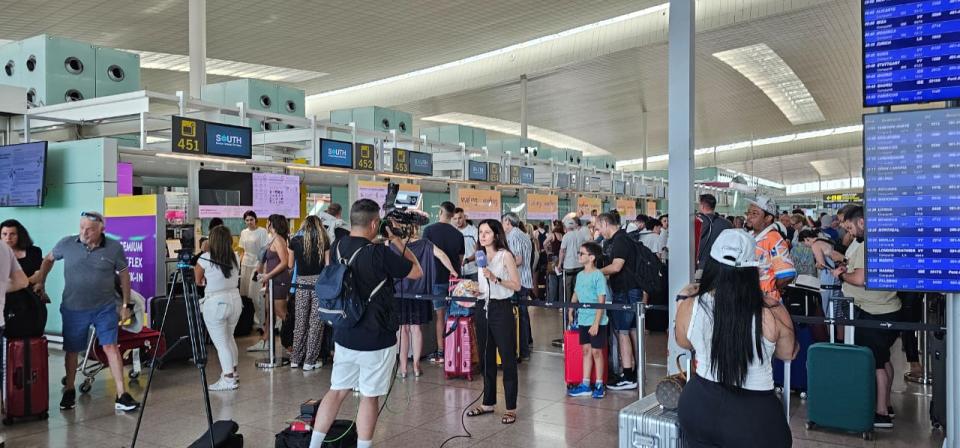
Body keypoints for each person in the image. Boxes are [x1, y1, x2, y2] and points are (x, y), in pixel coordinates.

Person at [308, 199, 422, 448]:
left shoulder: (338, 245)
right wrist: (395, 240)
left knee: (336, 391)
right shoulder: (379, 253)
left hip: (344, 332)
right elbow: (416, 271)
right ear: (374, 223)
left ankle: (314, 445)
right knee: (369, 397)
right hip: (376, 338)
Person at [675, 229, 796, 448]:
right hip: (754, 418)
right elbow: (788, 352)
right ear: (752, 269)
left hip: (699, 405)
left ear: (712, 264)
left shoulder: (691, 304)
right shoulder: (771, 310)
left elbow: (683, 342)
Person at [35, 211, 140, 412]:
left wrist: (126, 305)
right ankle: (69, 389)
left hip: (105, 307)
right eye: (81, 227)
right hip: (74, 308)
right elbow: (48, 260)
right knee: (73, 349)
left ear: (102, 230)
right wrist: (41, 281)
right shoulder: (66, 244)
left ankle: (121, 394)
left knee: (111, 346)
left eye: (89, 229)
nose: (84, 232)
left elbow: (124, 275)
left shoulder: (114, 248)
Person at [833, 205, 900, 428]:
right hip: (888, 306)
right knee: (883, 358)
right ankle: (887, 404)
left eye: (851, 227)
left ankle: (880, 412)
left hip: (873, 310)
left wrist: (843, 274)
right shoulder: (883, 240)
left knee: (875, 363)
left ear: (862, 222)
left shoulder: (866, 246)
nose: (850, 232)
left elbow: (860, 279)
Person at [465, 219, 522, 425]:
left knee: (507, 358)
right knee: (486, 357)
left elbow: (516, 285)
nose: (482, 235)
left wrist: (496, 278)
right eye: (480, 232)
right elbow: (484, 286)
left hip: (501, 309)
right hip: (482, 307)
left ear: (496, 235)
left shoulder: (505, 256)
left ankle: (511, 407)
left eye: (487, 232)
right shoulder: (480, 257)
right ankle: (488, 403)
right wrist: (474, 290)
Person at [392, 216, 458, 377]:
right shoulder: (425, 244)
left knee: (402, 330)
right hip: (420, 292)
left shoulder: (394, 244)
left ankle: (402, 368)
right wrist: (453, 270)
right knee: (416, 329)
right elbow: (441, 255)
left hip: (399, 291)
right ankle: (415, 366)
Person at [596, 212, 640, 390]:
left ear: (606, 223)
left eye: (599, 227)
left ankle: (628, 375)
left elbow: (616, 266)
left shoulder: (620, 240)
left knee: (623, 332)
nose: (599, 231)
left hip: (626, 291)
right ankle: (635, 370)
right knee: (630, 331)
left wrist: (596, 273)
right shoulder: (621, 239)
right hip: (628, 290)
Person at [194, 226, 242, 391]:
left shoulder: (204, 258)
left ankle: (228, 378)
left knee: (221, 343)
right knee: (229, 338)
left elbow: (197, 280)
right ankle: (233, 373)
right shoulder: (235, 256)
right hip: (235, 300)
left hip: (216, 303)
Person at [422, 201, 464, 365]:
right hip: (454, 280)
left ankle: (441, 350)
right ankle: (454, 347)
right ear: (453, 214)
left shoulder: (429, 231)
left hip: (436, 278)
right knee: (453, 315)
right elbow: (460, 261)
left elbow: (426, 254)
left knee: (440, 316)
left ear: (440, 211)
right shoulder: (458, 235)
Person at [566, 241, 608, 399]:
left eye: (582, 253)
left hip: (596, 320)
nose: (579, 256)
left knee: (597, 352)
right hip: (583, 319)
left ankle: (598, 384)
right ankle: (585, 384)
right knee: (586, 351)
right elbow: (576, 293)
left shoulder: (598, 275)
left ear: (591, 257)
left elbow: (601, 300)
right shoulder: (579, 275)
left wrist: (596, 322)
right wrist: (571, 309)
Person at [288, 216, 331, 370]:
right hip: (319, 284)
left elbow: (290, 264)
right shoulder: (324, 241)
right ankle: (309, 361)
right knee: (315, 323)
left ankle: (295, 359)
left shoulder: (295, 241)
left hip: (300, 283)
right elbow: (327, 266)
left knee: (300, 322)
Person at [248, 214, 292, 352]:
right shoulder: (272, 239)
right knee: (269, 311)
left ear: (271, 224)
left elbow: (285, 262)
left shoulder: (278, 240)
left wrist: (269, 275)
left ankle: (293, 342)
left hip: (278, 281)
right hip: (271, 281)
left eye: (267, 222)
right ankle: (265, 340)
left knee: (281, 311)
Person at [745, 196, 796, 302]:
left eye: (754, 213)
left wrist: (769, 289)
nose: (749, 217)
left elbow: (787, 275)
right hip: (750, 299)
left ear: (768, 218)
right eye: (748, 213)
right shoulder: (750, 236)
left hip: (766, 303)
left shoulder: (774, 239)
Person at [502, 212, 533, 360]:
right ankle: (527, 345)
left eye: (503, 222)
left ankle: (522, 351)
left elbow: (518, 259)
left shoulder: (513, 236)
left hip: (517, 280)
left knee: (519, 317)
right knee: (523, 315)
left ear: (508, 222)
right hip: (525, 279)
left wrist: (504, 267)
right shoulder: (524, 235)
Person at [238, 211, 270, 331]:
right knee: (246, 294)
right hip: (246, 263)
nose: (249, 222)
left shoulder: (262, 231)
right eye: (247, 220)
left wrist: (261, 265)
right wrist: (239, 265)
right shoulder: (243, 232)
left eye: (251, 219)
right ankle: (250, 320)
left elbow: (265, 249)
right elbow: (242, 250)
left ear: (255, 220)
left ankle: (260, 321)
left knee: (256, 294)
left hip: (258, 264)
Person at [1, 220, 43, 284]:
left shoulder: (34, 251)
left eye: (12, 234)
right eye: (4, 234)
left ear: (20, 235)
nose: (8, 238)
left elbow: (38, 277)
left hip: (30, 292)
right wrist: (27, 281)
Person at [557, 215, 588, 304]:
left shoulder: (566, 236)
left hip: (569, 266)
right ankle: (578, 307)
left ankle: (568, 307)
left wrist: (559, 264)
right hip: (580, 265)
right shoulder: (580, 235)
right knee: (578, 287)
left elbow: (562, 251)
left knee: (568, 288)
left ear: (566, 227)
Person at [696, 194, 732, 270]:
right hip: (721, 265)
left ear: (702, 206)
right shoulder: (727, 223)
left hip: (702, 265)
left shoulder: (697, 222)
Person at [453, 208, 479, 281]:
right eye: (455, 219)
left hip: (473, 271)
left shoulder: (474, 231)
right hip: (458, 271)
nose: (457, 221)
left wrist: (467, 260)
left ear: (465, 217)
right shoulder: (453, 232)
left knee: (474, 291)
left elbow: (478, 251)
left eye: (460, 218)